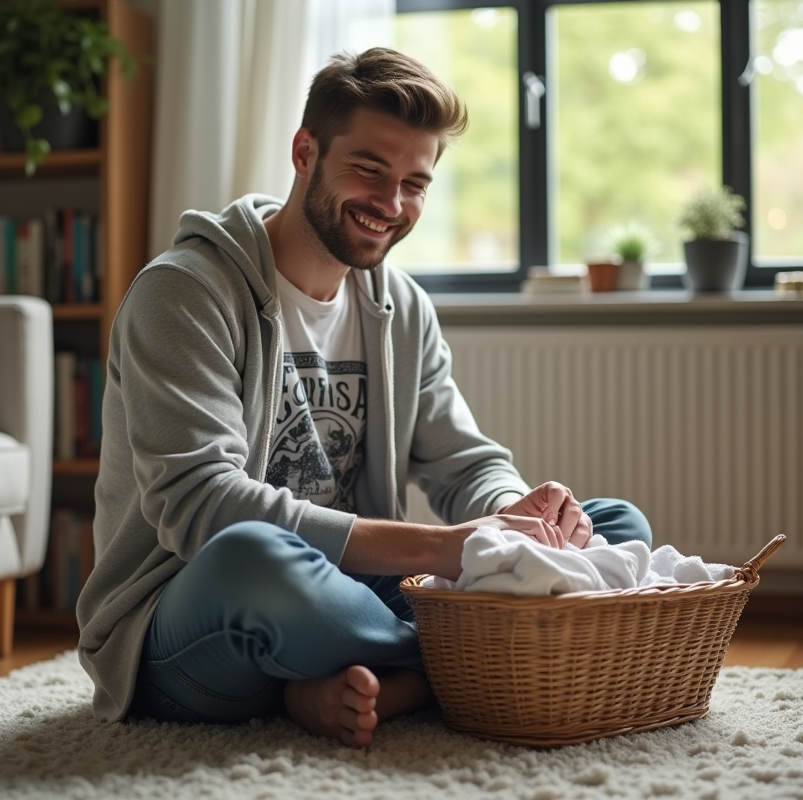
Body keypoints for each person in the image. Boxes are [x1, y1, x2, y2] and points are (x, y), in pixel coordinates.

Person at [76, 47, 651, 748]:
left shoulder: (400, 307)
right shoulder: (185, 291)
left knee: (613, 526)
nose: (392, 205)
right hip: (189, 612)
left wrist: (520, 517)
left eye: (415, 182)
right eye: (369, 170)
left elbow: (463, 463)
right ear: (304, 152)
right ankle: (477, 660)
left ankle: (346, 680)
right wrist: (447, 552)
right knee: (254, 558)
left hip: (349, 595)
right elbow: (200, 506)